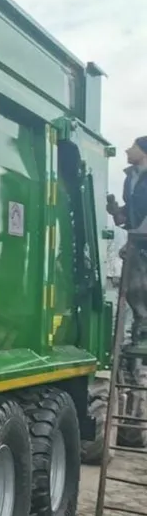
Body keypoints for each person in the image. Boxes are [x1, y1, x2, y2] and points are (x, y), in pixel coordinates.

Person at [107, 136, 147, 355]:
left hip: (142, 238)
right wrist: (116, 211)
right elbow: (127, 214)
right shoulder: (129, 178)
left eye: (133, 147)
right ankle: (141, 333)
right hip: (136, 239)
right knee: (133, 289)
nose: (127, 150)